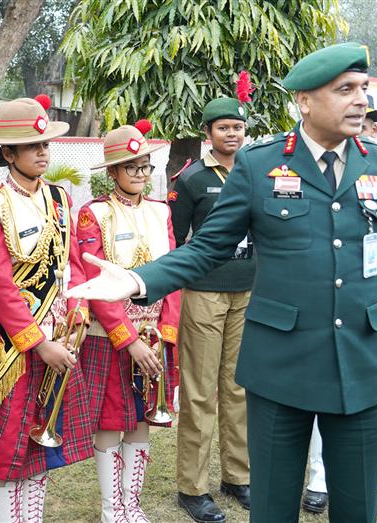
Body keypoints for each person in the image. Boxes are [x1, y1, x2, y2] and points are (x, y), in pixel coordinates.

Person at [66, 42, 377, 522]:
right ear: (305, 101)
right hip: (280, 366)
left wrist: (358, 308)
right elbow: (207, 247)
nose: (360, 100)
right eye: (345, 89)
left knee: (356, 510)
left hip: (359, 362)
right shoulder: (258, 165)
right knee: (271, 509)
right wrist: (137, 280)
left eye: (363, 88)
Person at [302, 94, 377, 520]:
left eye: (370, 122)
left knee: (373, 394)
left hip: (376, 303)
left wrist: (367, 297)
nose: (364, 128)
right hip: (324, 303)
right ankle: (318, 478)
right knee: (320, 384)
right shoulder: (319, 169)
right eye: (358, 119)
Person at [0, 95, 93, 522]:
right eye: (32, 146)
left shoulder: (60, 198)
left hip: (61, 334)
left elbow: (73, 265)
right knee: (10, 446)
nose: (43, 152)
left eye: (45, 144)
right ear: (8, 154)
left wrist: (77, 315)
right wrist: (39, 343)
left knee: (45, 437)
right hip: (15, 344)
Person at [76, 119, 180, 523]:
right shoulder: (94, 214)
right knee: (110, 420)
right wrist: (128, 339)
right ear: (113, 172)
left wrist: (165, 334)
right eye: (130, 167)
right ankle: (111, 508)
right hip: (110, 335)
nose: (140, 174)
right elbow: (95, 281)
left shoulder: (161, 211)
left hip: (153, 334)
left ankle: (131, 504)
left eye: (145, 166)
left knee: (142, 417)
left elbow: (173, 274)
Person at [168, 97, 254, 523]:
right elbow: (175, 238)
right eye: (223, 127)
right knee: (200, 392)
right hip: (204, 292)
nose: (231, 134)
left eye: (237, 127)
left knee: (239, 388)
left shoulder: (256, 172)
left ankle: (238, 477)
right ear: (207, 134)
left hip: (249, 292)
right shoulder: (192, 179)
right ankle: (193, 488)